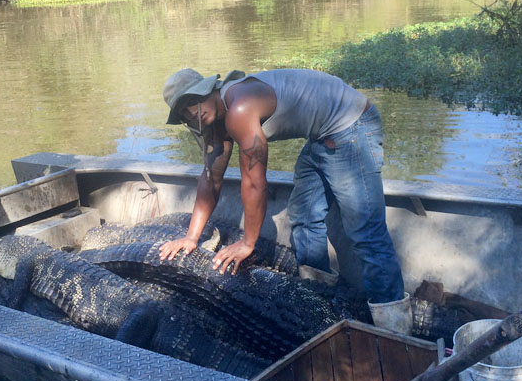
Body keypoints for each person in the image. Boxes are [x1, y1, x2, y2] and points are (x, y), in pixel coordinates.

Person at [159, 68, 412, 332]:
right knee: (303, 215)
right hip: (320, 136)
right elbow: (211, 179)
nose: (193, 111)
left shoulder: (239, 108)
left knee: (364, 229)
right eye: (184, 111)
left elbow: (255, 182)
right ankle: (320, 299)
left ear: (210, 89)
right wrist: (191, 237)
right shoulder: (215, 123)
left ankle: (396, 331)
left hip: (352, 124)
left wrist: (248, 243)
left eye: (193, 100)